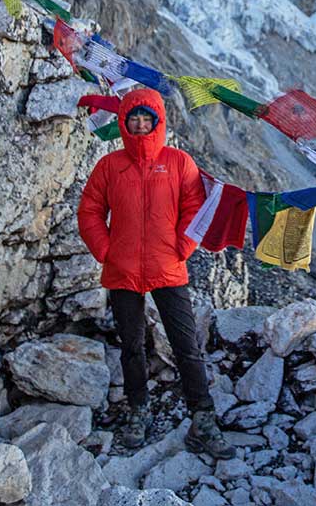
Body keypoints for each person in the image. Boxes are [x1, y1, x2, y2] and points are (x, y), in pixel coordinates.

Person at [77, 87, 234, 457]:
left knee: (186, 345)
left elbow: (195, 207)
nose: (140, 124)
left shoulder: (178, 161)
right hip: (123, 270)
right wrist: (106, 251)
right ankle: (138, 410)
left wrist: (182, 248)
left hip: (168, 267)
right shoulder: (110, 166)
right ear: (124, 122)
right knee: (132, 346)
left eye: (147, 118)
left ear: (158, 122)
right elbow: (90, 210)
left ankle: (203, 418)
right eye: (134, 118)